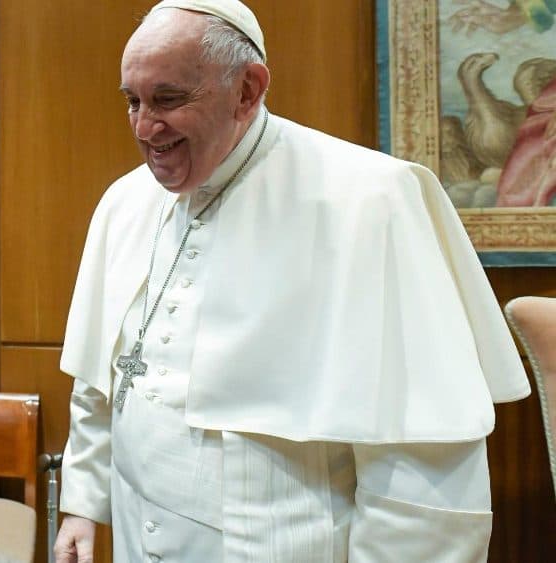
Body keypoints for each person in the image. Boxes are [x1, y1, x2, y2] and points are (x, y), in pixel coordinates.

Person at [54, 1, 531, 561]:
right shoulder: (125, 202)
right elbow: (105, 377)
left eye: (169, 99)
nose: (143, 127)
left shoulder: (371, 202)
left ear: (247, 90)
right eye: (132, 101)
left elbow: (422, 465)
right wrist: (83, 503)